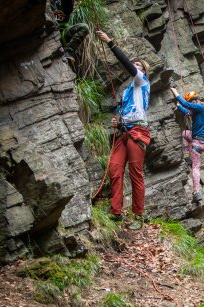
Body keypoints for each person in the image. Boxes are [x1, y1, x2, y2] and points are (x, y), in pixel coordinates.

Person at [96, 30, 151, 230]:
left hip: (138, 133)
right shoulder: (129, 91)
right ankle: (116, 212)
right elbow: (126, 113)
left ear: (143, 72)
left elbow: (127, 65)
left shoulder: (142, 81)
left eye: (139, 66)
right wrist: (117, 123)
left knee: (136, 174)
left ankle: (138, 216)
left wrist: (110, 43)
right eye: (135, 65)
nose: (136, 67)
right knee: (115, 169)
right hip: (125, 132)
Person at [170, 87, 204, 204]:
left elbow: (185, 104)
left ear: (195, 101)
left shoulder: (201, 107)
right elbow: (187, 111)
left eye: (192, 102)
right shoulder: (198, 110)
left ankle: (196, 192)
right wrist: (179, 107)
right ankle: (187, 156)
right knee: (185, 133)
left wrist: (175, 92)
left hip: (198, 143)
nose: (192, 104)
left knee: (195, 167)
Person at [49, 0, 89, 67]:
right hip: (50, 34)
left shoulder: (62, 3)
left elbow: (68, 7)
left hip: (63, 34)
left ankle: (68, 52)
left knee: (84, 27)